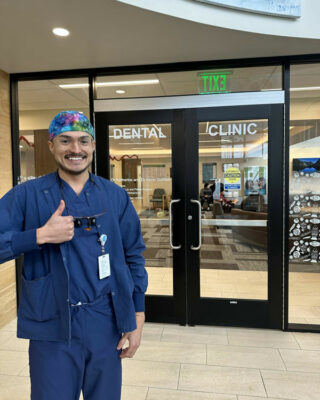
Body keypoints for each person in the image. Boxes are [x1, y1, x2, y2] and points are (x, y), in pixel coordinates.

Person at [0, 111, 148, 400]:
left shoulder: (114, 196)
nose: (75, 149)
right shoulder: (26, 196)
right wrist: (38, 236)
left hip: (105, 323)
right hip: (51, 325)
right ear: (51, 145)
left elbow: (134, 256)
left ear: (93, 146)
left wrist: (137, 315)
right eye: (65, 141)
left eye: (83, 141)